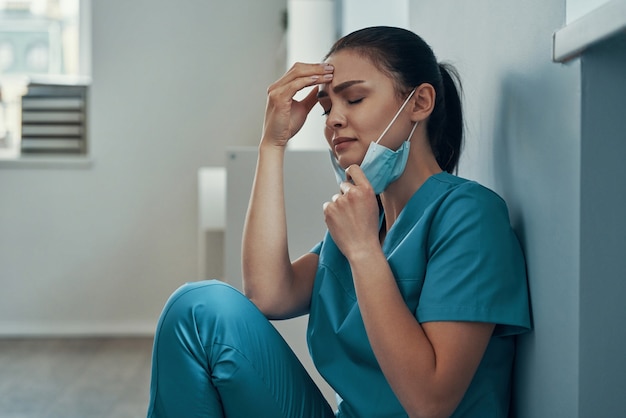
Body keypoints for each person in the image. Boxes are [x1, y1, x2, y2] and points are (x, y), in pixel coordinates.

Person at [147, 26, 531, 418]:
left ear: (420, 102)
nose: (334, 120)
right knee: (196, 309)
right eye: (328, 108)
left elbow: (431, 402)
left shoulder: (470, 216)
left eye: (355, 98)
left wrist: (364, 251)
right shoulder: (365, 220)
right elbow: (268, 294)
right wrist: (273, 143)